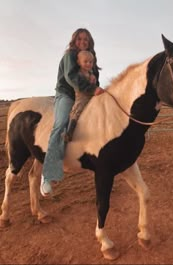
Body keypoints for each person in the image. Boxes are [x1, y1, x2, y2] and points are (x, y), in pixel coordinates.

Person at [40, 28, 104, 197]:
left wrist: (95, 84)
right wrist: (91, 88)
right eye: (79, 39)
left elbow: (95, 78)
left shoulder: (91, 58)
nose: (83, 41)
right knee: (61, 124)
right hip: (67, 94)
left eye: (86, 39)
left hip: (86, 93)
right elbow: (70, 77)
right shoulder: (70, 56)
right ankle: (48, 175)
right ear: (74, 41)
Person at [63, 50, 100, 142]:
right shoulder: (79, 74)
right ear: (79, 62)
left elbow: (93, 85)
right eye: (86, 61)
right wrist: (90, 83)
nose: (88, 64)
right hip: (82, 96)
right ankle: (69, 132)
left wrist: (93, 81)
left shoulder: (91, 74)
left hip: (91, 95)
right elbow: (81, 85)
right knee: (78, 109)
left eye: (91, 62)